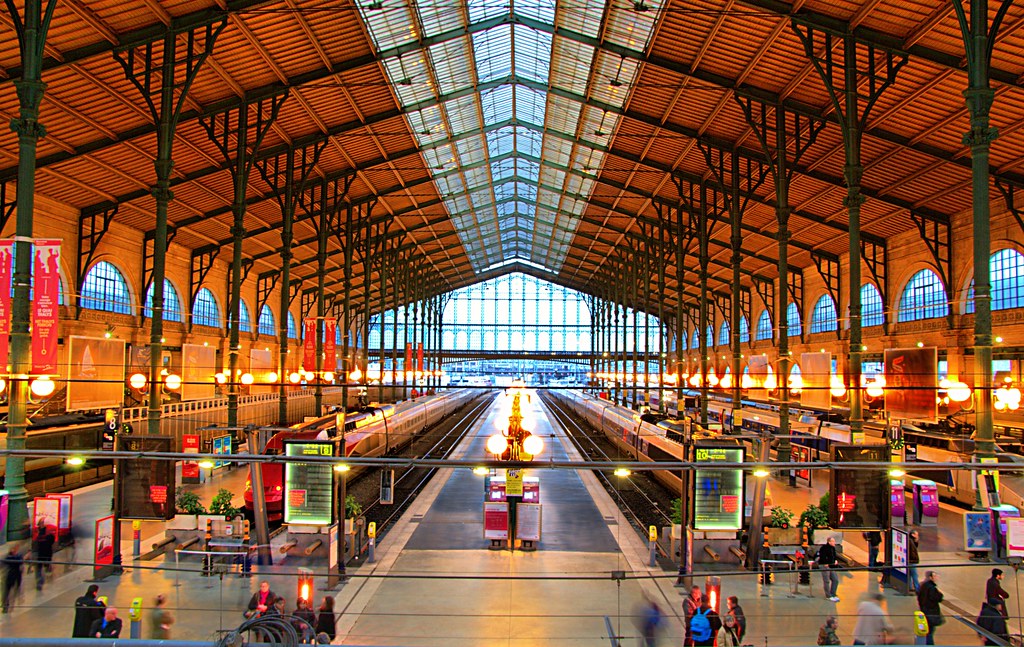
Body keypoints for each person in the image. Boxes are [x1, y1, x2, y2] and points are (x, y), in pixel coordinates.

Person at [917, 571, 944, 645]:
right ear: (930, 577)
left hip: (924, 610)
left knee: (927, 630)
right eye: (934, 576)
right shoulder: (931, 587)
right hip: (931, 612)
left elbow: (919, 597)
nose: (936, 578)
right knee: (930, 632)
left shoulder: (923, 585)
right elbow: (938, 597)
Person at [32, 522, 55, 591]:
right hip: (42, 554)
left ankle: (41, 580)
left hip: (44, 554)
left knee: (42, 567)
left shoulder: (45, 536)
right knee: (39, 568)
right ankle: (40, 582)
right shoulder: (40, 535)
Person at [2, 544, 24, 614]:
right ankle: (5, 606)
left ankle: (11, 604)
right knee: (6, 592)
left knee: (13, 591)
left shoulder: (18, 556)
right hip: (9, 577)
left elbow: (20, 563)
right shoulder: (8, 557)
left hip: (16, 577)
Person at [817, 536, 841, 601]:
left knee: (835, 580)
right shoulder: (824, 548)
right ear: (829, 542)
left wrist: (835, 560)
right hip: (824, 566)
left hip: (831, 566)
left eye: (834, 541)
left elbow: (834, 556)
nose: (834, 542)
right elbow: (822, 556)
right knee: (826, 581)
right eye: (833, 541)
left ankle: (833, 593)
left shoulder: (833, 548)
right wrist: (825, 563)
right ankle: (828, 596)